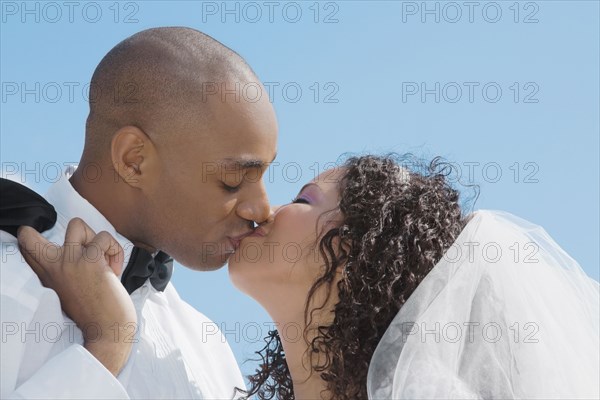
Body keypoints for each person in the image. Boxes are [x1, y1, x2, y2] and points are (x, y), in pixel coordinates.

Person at [17, 155, 600, 399]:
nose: (264, 208)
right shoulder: (206, 369)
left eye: (303, 195)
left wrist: (104, 345)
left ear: (359, 255)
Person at [0, 26, 278, 398]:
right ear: (134, 160)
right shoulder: (10, 291)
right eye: (232, 180)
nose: (262, 208)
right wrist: (106, 352)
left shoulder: (209, 348)